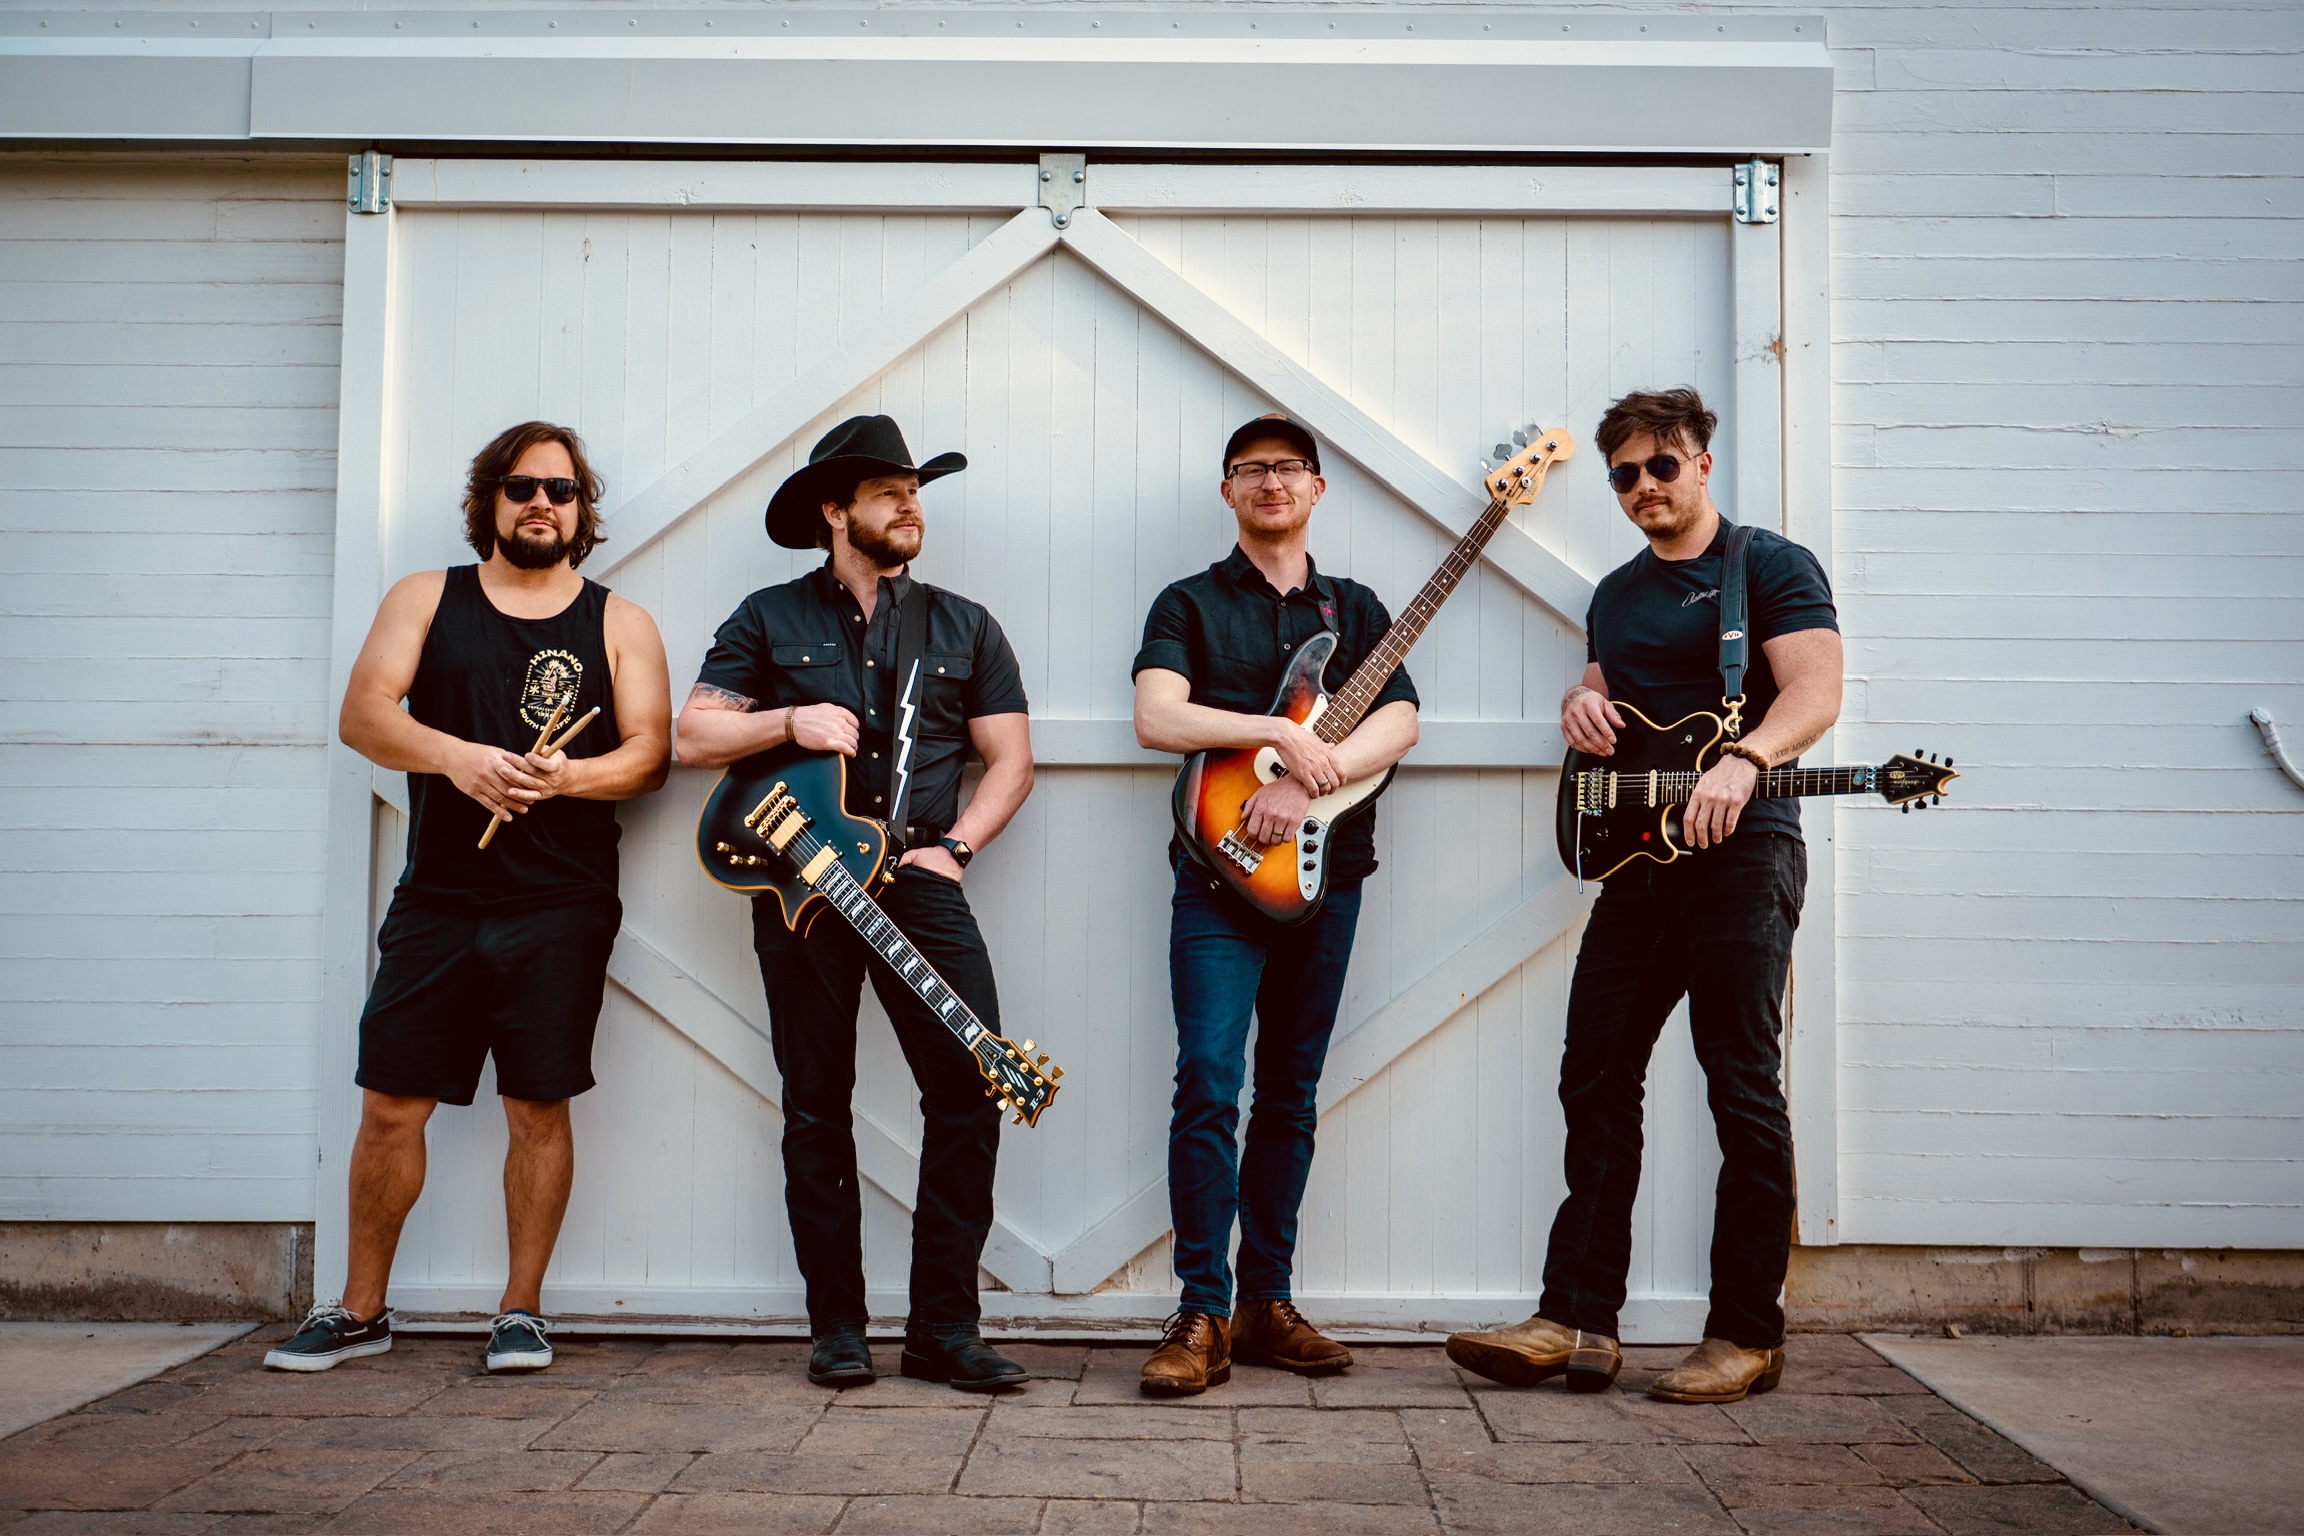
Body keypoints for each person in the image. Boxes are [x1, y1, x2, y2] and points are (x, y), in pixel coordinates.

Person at [1447, 387, 1842, 1404]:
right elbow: (1606, 695)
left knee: (1739, 1085)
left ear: (1701, 463)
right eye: (1624, 474)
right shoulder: (1617, 594)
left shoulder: (1768, 567)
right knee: (1594, 1074)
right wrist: (1580, 705)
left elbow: (1817, 691)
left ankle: (1746, 1335)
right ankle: (1576, 1319)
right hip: (1639, 865)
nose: (1642, 487)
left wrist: (1747, 758)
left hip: (1745, 856)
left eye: (1661, 466)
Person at [268, 422, 671, 1374]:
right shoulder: (425, 598)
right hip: (438, 898)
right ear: (490, 499)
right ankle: (361, 1311)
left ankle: (520, 1312)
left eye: (561, 491)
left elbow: (651, 754)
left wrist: (566, 778)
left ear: (581, 512)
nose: (542, 504)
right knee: (390, 1105)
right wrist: (459, 759)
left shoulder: (620, 622)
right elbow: (364, 714)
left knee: (537, 1106)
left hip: (562, 901)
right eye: (523, 486)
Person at [676, 415, 1036, 1393]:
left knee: (972, 1088)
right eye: (888, 493)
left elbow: (1010, 760)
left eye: (915, 491)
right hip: (803, 888)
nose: (911, 506)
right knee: (815, 1104)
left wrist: (956, 848)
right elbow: (693, 736)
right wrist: (789, 718)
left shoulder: (965, 625)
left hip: (918, 884)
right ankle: (837, 1329)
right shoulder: (767, 617)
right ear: (836, 512)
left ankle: (943, 1331)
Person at [1130, 415, 1421, 1396]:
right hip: (1217, 878)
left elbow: (1401, 721)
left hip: (1327, 877)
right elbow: (1156, 715)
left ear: (1317, 488)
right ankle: (1200, 1313)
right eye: (1250, 470)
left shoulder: (1358, 608)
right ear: (1228, 491)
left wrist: (1307, 778)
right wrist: (1274, 735)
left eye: (1289, 468)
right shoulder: (1189, 602)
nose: (1270, 483)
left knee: (1290, 1093)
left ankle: (1266, 1302)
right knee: (1210, 1081)